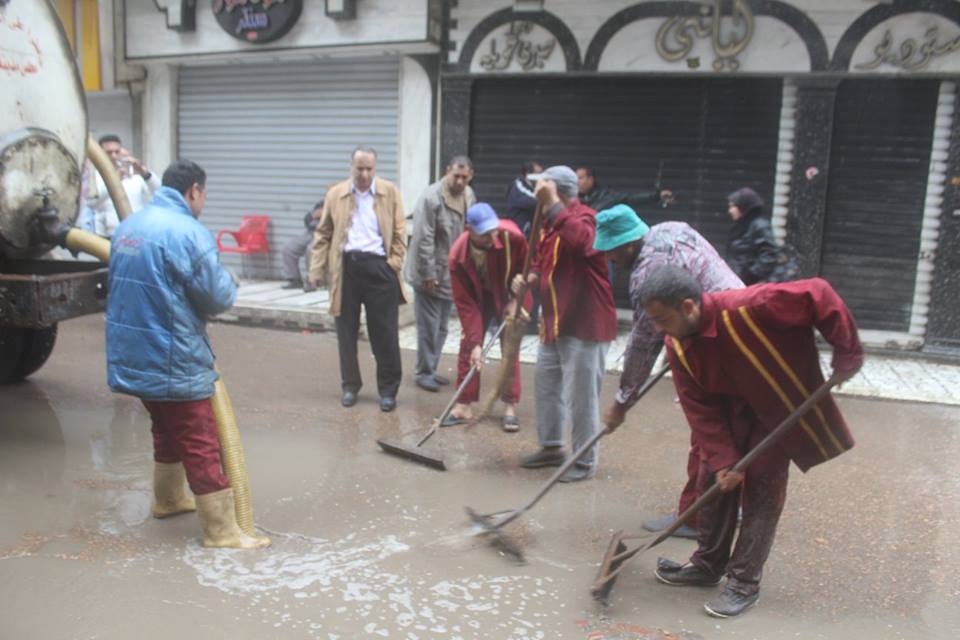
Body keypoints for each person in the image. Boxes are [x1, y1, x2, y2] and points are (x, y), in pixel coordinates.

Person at [638, 265, 862, 618]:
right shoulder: (677, 346)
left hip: (773, 410)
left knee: (762, 490)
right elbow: (700, 409)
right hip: (727, 415)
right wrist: (724, 459)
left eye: (664, 319)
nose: (660, 329)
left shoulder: (753, 305)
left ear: (688, 306)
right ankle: (707, 565)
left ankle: (744, 582)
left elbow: (819, 293)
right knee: (710, 481)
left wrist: (847, 353)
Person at [105, 159, 269, 549]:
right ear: (193, 190)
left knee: (165, 427)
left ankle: (167, 499)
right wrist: (230, 280)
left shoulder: (128, 228)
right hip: (171, 356)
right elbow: (217, 298)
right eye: (204, 194)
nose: (204, 201)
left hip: (133, 356)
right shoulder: (188, 233)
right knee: (200, 439)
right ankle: (222, 531)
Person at [595, 204, 744, 539]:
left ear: (627, 245)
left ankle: (699, 517)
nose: (610, 261)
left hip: (716, 336)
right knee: (721, 426)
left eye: (611, 253)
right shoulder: (670, 227)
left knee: (708, 427)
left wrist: (622, 400)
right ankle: (711, 508)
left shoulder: (647, 272)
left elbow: (644, 340)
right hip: (725, 320)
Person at [511, 166, 617, 483]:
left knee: (581, 397)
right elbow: (544, 261)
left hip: (585, 324)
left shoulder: (585, 217)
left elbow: (584, 243)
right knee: (546, 388)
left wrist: (554, 205)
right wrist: (529, 276)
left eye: (542, 189)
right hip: (554, 321)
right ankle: (552, 447)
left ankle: (584, 462)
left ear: (558, 191)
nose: (536, 194)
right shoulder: (549, 223)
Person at [309, 147, 408, 413]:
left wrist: (393, 265)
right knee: (346, 332)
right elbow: (324, 233)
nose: (364, 174)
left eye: (369, 169)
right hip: (346, 270)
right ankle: (350, 385)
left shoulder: (390, 193)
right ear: (351, 167)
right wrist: (317, 270)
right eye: (359, 168)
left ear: (375, 168)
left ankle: (388, 390)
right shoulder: (336, 194)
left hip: (379, 269)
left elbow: (400, 233)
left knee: (384, 334)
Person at [446, 203, 529, 431]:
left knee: (510, 347)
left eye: (493, 230)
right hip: (478, 297)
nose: (492, 236)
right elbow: (465, 304)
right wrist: (475, 343)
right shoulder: (457, 256)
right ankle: (464, 404)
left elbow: (531, 267)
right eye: (484, 234)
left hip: (507, 293)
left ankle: (510, 405)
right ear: (468, 230)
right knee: (469, 347)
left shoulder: (512, 236)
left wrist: (517, 295)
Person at [405, 156, 476, 392]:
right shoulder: (431, 197)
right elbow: (423, 238)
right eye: (456, 175)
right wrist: (428, 274)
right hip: (429, 273)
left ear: (471, 176)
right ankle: (423, 372)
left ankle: (432, 369)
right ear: (448, 171)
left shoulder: (468, 195)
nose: (459, 180)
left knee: (443, 326)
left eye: (464, 177)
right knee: (428, 326)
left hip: (451, 273)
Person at [87, 134, 161, 237]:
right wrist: (114, 181)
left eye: (117, 152)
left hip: (135, 234)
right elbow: (92, 202)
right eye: (109, 153)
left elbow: (159, 192)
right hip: (107, 235)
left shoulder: (134, 174)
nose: (114, 156)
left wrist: (144, 172)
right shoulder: (94, 176)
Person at [725, 187, 798, 285]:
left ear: (743, 207)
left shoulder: (759, 226)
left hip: (750, 288)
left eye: (733, 206)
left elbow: (769, 254)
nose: (730, 210)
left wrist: (749, 276)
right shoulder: (742, 226)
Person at [576, 166, 673, 214]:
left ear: (591, 179)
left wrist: (657, 196)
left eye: (580, 178)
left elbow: (631, 198)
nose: (577, 182)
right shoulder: (572, 199)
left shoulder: (607, 196)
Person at [281, 201, 324, 291]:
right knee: (289, 248)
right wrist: (313, 215)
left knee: (311, 249)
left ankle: (312, 281)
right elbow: (306, 219)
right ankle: (294, 279)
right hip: (311, 232)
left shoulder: (339, 203)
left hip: (325, 234)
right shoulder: (321, 204)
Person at [504, 160, 542, 237]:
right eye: (538, 174)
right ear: (528, 174)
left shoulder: (532, 187)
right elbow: (534, 201)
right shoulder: (519, 185)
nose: (541, 177)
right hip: (519, 231)